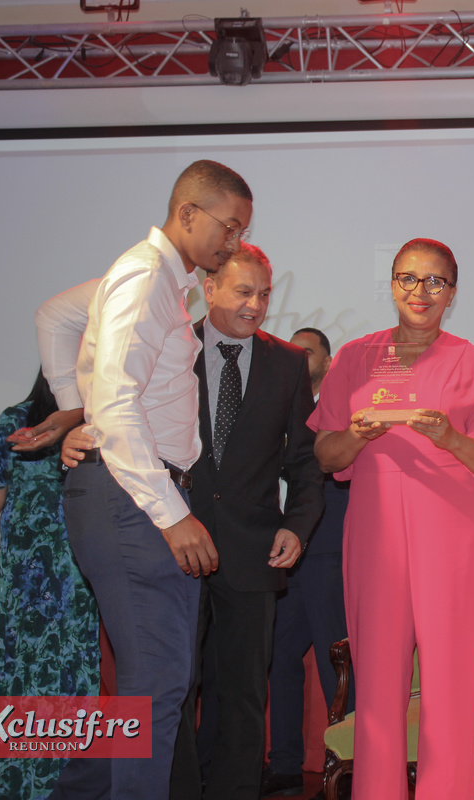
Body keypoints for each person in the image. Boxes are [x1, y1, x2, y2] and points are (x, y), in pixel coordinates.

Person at [40, 159, 253, 800]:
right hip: (133, 499)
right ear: (188, 214)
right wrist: (171, 512)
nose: (235, 244)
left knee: (156, 687)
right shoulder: (142, 274)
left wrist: (76, 416)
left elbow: (73, 335)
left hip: (141, 493)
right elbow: (115, 400)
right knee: (156, 685)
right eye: (230, 227)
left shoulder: (165, 279)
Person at [310, 238, 474, 800]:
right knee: (377, 687)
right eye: (407, 279)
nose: (419, 292)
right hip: (376, 536)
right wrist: (354, 435)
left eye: (434, 281)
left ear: (451, 292)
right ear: (392, 283)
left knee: (449, 686)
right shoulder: (355, 356)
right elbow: (325, 456)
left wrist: (450, 437)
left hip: (451, 536)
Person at [164, 243, 324, 800]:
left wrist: (296, 527)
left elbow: (305, 461)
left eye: (263, 294)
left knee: (243, 693)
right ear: (208, 290)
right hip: (176, 542)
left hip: (255, 549)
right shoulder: (171, 348)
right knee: (175, 689)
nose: (255, 305)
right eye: (242, 292)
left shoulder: (286, 363)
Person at [0, 369, 99, 800]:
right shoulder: (12, 420)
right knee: (17, 665)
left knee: (73, 666)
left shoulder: (97, 425)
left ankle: (67, 782)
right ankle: (7, 780)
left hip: (81, 569)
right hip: (26, 571)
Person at [264, 327, 352, 799]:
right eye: (292, 349)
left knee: (332, 661)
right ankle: (283, 766)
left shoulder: (340, 404)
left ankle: (345, 768)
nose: (298, 357)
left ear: (328, 360)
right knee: (278, 656)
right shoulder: (276, 403)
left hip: (325, 550)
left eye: (308, 351)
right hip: (280, 554)